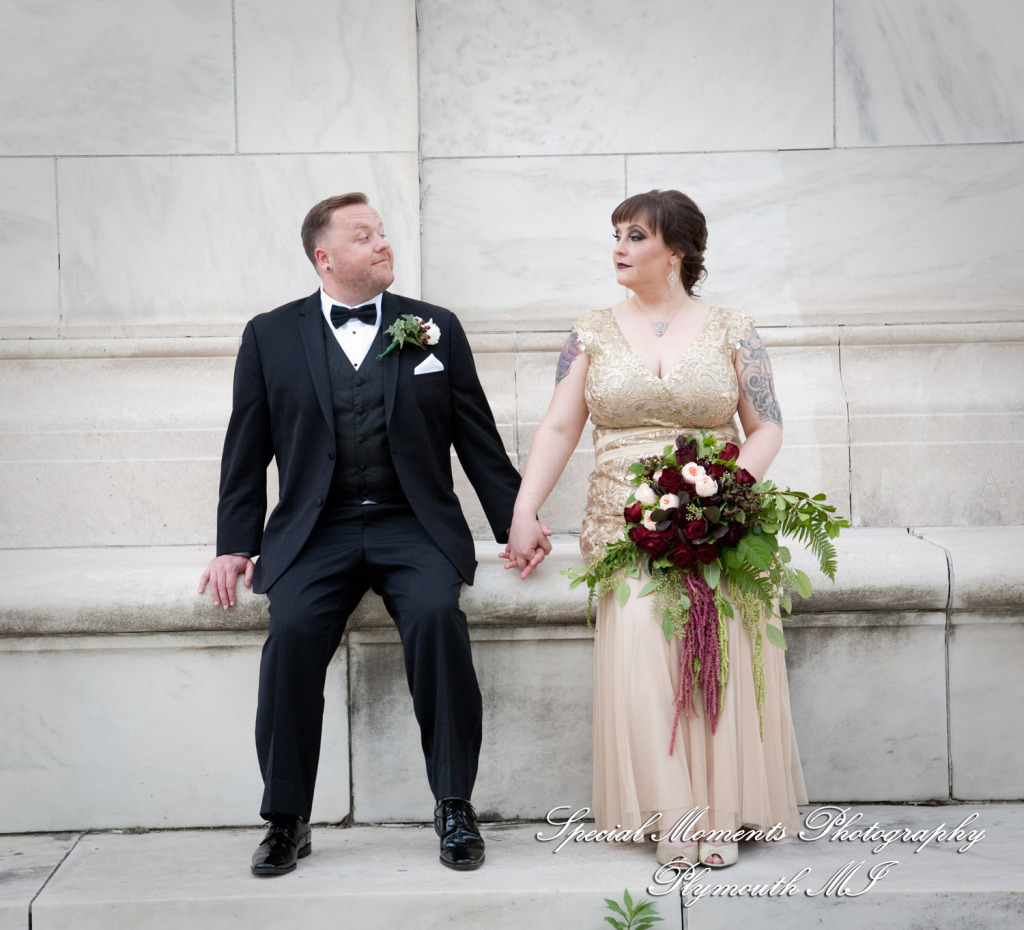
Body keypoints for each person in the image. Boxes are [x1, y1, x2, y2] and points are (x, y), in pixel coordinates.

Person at [199, 192, 550, 875]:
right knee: (292, 635)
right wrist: (234, 543)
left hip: (412, 524)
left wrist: (518, 516)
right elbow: (245, 450)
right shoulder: (269, 336)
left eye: (383, 233)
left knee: (436, 619)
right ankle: (286, 818)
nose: (383, 244)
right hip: (315, 529)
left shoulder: (433, 327)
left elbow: (477, 440)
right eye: (365, 236)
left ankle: (454, 806)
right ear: (324, 257)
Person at [505, 190, 806, 869]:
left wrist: (727, 496)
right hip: (624, 526)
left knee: (723, 642)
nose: (619, 247)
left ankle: (721, 815)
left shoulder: (734, 328)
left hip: (719, 521)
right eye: (616, 233)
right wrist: (526, 512)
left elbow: (766, 428)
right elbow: (559, 426)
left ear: (677, 250)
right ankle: (676, 813)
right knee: (646, 641)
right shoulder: (591, 330)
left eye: (635, 236)